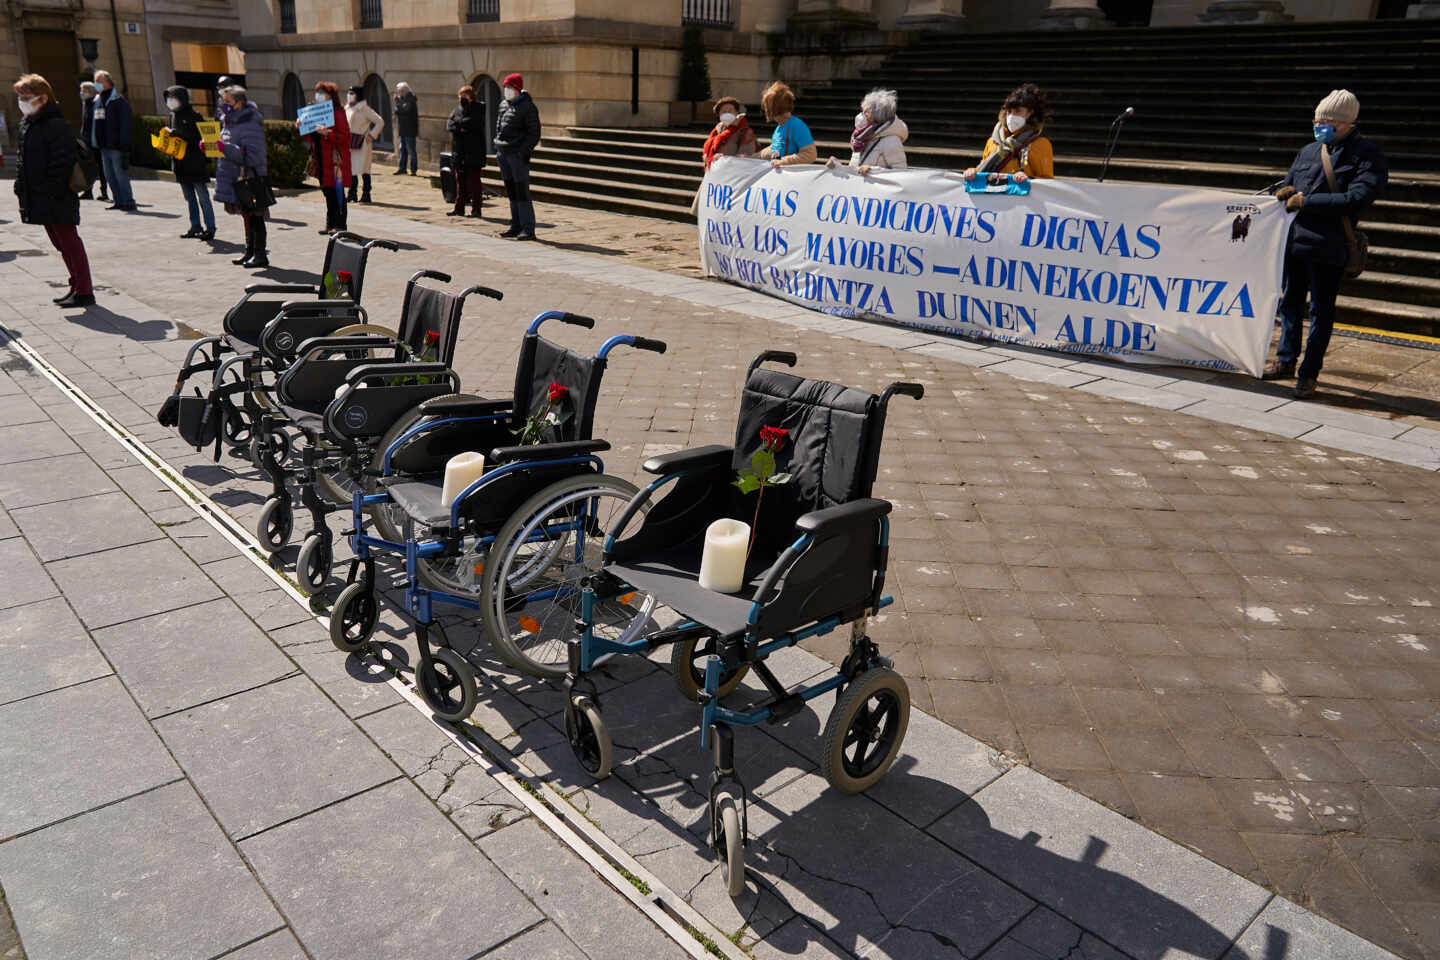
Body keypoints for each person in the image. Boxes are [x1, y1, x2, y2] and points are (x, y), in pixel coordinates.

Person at [1265, 89, 1387, 399]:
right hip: (1295, 243)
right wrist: (1284, 191)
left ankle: (1309, 375)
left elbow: (1356, 198)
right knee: (1289, 304)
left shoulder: (1366, 155)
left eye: (1327, 120)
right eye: (1317, 119)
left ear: (1347, 122)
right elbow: (1289, 183)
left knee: (1321, 311)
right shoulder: (1308, 151)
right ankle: (1285, 360)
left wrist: (1307, 201)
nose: (1319, 125)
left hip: (1329, 246)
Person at [13, 74, 94, 308]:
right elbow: (23, 160)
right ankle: (75, 285)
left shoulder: (55, 125)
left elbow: (62, 161)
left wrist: (50, 188)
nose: (22, 101)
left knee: (69, 242)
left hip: (56, 195)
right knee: (60, 244)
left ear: (43, 98)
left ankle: (84, 290)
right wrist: (21, 186)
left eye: (26, 97)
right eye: (20, 97)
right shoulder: (28, 123)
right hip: (39, 195)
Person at [214, 85, 270, 268]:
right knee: (247, 216)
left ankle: (260, 255)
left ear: (239, 103)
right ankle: (249, 252)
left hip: (251, 178)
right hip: (237, 178)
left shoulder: (249, 123)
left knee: (256, 218)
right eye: (224, 101)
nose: (224, 105)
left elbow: (254, 156)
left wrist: (225, 149)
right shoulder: (230, 122)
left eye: (228, 101)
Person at [963, 83, 1053, 184]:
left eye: (1018, 111)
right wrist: (972, 171)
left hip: (1021, 197)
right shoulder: (993, 141)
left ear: (1030, 113)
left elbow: (1047, 181)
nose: (1012, 116)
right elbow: (983, 167)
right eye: (1009, 111)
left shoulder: (1040, 144)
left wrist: (1028, 178)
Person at [164, 85, 216, 240]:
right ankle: (195, 226)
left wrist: (179, 134)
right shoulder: (172, 116)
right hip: (180, 163)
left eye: (174, 97)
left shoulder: (195, 116)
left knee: (203, 198)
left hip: (195, 162)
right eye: (169, 97)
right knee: (189, 198)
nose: (171, 100)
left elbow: (203, 140)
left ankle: (210, 227)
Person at [300, 81, 351, 235]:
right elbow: (309, 136)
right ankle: (330, 224)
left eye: (322, 93)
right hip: (320, 158)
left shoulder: (338, 112)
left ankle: (340, 226)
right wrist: (301, 125)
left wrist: (327, 133)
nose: (318, 96)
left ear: (331, 96)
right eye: (317, 93)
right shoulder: (314, 111)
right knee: (327, 191)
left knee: (337, 192)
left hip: (334, 160)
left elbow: (345, 137)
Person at [493, 72, 540, 240]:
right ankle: (515, 225)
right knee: (511, 191)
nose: (507, 90)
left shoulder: (527, 107)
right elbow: (499, 126)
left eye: (510, 87)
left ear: (518, 89)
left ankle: (528, 228)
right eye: (505, 87)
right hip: (503, 153)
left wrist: (522, 151)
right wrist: (497, 144)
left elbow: (534, 133)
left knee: (522, 191)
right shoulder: (503, 105)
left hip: (517, 155)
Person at [828, 88, 907, 175]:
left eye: (866, 112)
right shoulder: (862, 137)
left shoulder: (891, 140)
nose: (861, 115)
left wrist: (872, 170)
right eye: (862, 111)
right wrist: (837, 166)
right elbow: (856, 169)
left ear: (877, 115)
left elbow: (900, 172)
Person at [91, 69, 135, 210]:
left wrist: (124, 144)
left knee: (121, 175)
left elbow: (125, 124)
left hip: (116, 146)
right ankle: (118, 201)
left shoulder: (118, 100)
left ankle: (128, 201)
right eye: (95, 81)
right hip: (104, 146)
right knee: (110, 176)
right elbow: (97, 123)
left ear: (108, 82)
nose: (96, 84)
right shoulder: (98, 101)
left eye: (99, 81)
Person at [446, 84, 486, 218]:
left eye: (465, 95)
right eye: (460, 95)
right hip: (459, 150)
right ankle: (459, 208)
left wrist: (460, 125)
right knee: (460, 182)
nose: (462, 98)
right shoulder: (457, 108)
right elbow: (450, 124)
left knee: (474, 183)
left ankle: (476, 210)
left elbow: (472, 123)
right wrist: (460, 127)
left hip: (473, 151)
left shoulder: (479, 107)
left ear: (471, 96)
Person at [758, 82, 816, 168]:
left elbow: (810, 155)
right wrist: (752, 156)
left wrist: (783, 162)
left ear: (772, 108)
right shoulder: (779, 127)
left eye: (767, 105)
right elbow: (773, 149)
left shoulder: (797, 125)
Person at [344, 84, 384, 204]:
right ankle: (352, 194)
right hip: (349, 141)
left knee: (364, 169)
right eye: (348, 93)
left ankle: (366, 193)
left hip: (362, 142)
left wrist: (372, 135)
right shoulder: (347, 108)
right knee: (351, 168)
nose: (349, 95)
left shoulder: (364, 108)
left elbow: (380, 121)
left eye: (352, 93)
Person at [701, 96, 757, 171]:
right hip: (716, 174)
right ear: (719, 114)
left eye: (730, 111)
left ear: (736, 113)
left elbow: (746, 156)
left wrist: (724, 159)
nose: (727, 113)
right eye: (723, 111)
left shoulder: (745, 131)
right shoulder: (716, 132)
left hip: (733, 174)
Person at [78, 80, 107, 202]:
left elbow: (100, 122)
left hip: (96, 141)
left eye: (83, 91)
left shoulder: (97, 103)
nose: (81, 93)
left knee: (100, 167)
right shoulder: (86, 103)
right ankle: (88, 191)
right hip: (87, 140)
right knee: (87, 166)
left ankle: (104, 191)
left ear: (90, 92)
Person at [393, 81, 418, 175]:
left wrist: (397, 102)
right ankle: (402, 168)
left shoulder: (410, 98)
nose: (398, 93)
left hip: (410, 129)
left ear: (404, 90)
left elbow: (405, 110)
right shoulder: (403, 99)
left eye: (399, 91)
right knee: (402, 149)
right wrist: (399, 106)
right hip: (403, 128)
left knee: (411, 150)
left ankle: (413, 169)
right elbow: (398, 110)